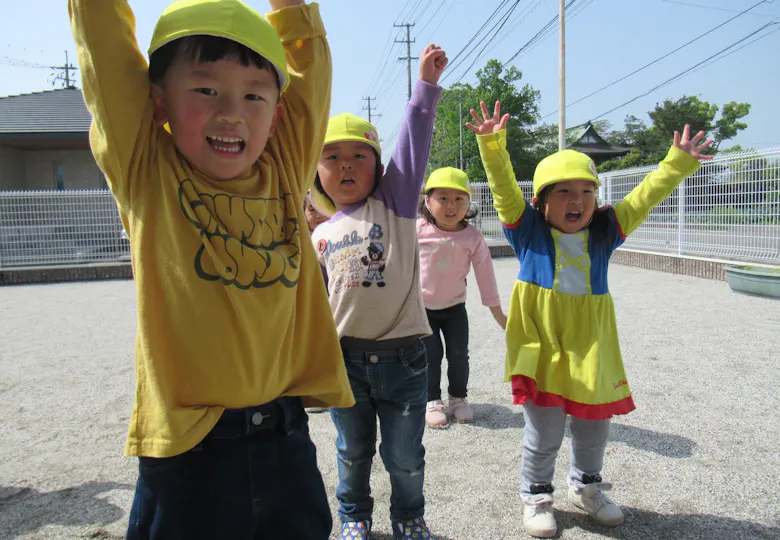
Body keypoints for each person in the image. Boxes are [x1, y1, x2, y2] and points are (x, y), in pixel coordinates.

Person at [69, 0, 353, 537]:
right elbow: (103, 44)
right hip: (187, 453)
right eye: (205, 90)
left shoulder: (284, 167)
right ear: (158, 101)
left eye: (253, 95)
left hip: (284, 439)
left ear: (277, 111)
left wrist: (291, 8)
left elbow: (309, 68)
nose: (231, 112)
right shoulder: (146, 170)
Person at [468, 101, 713, 538]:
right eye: (563, 191)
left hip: (591, 346)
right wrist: (491, 143)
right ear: (541, 202)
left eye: (586, 191)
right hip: (541, 346)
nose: (576, 200)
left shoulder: (605, 233)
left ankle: (586, 486)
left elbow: (645, 195)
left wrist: (677, 162)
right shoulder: (527, 233)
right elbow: (503, 187)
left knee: (593, 429)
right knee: (543, 434)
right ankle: (536, 496)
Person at [310, 44, 447, 540]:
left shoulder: (396, 204)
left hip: (405, 358)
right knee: (351, 452)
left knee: (405, 456)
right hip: (345, 361)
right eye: (332, 157)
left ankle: (409, 517)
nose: (346, 166)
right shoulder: (319, 234)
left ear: (378, 166)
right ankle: (353, 517)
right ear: (316, 171)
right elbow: (313, 307)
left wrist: (424, 90)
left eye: (359, 155)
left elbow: (413, 143)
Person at [417, 167, 507, 428]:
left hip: (455, 307)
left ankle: (458, 398)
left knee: (459, 355)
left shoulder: (472, 237)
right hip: (423, 309)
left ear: (468, 203)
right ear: (427, 201)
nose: (451, 206)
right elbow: (399, 267)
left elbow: (486, 277)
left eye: (459, 199)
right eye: (442, 198)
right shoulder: (417, 231)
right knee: (430, 355)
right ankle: (431, 399)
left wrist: (499, 315)